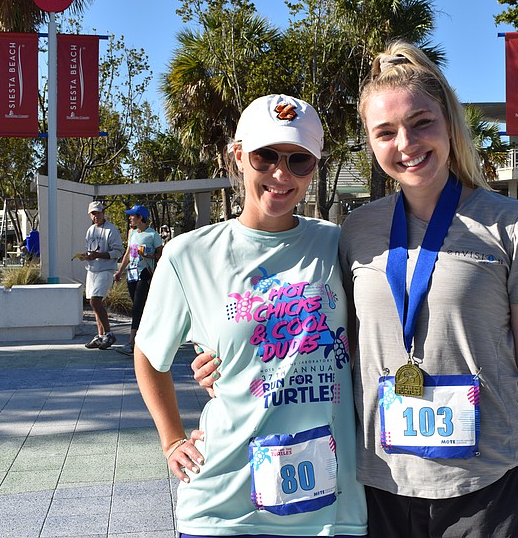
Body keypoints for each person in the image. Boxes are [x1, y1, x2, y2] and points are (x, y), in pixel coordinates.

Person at [193, 42, 518, 537]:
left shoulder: (515, 225)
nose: (406, 144)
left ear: (449, 125)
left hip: (490, 485)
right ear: (371, 143)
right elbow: (316, 335)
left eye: (421, 123)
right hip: (380, 488)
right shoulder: (356, 231)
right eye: (386, 132)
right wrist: (228, 364)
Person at [132, 94, 367, 537]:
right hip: (225, 507)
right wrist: (172, 439)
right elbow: (148, 354)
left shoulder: (338, 244)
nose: (281, 174)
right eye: (266, 156)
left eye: (299, 160)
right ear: (239, 156)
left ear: (314, 167)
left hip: (332, 510)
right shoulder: (189, 255)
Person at [114, 204, 164, 356]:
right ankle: (144, 339)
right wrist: (119, 272)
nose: (130, 218)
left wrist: (149, 255)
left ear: (140, 217)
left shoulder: (152, 235)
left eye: (132, 216)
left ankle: (131, 342)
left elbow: (161, 254)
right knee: (138, 308)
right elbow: (128, 254)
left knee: (137, 307)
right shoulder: (132, 233)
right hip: (132, 274)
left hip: (145, 273)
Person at [81, 200, 123, 350]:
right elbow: (91, 250)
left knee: (95, 301)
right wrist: (87, 256)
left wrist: (98, 255)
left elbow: (118, 251)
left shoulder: (111, 230)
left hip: (106, 270)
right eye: (93, 213)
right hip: (92, 269)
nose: (96, 216)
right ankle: (100, 335)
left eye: (98, 213)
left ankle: (109, 334)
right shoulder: (90, 230)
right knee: (94, 304)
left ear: (103, 213)